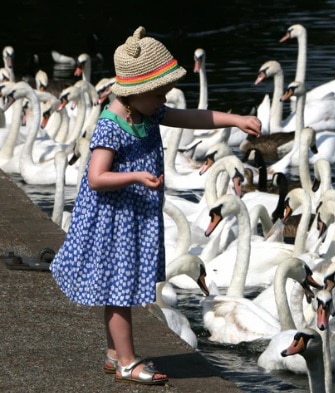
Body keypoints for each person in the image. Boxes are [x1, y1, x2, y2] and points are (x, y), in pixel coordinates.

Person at [49, 26, 261, 386]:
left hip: (131, 217)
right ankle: (128, 362)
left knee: (117, 288)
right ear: (135, 93)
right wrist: (135, 177)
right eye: (159, 94)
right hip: (113, 220)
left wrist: (235, 120)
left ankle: (115, 353)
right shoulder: (110, 126)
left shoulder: (145, 113)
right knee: (119, 290)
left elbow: (193, 117)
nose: (164, 102)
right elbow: (97, 176)